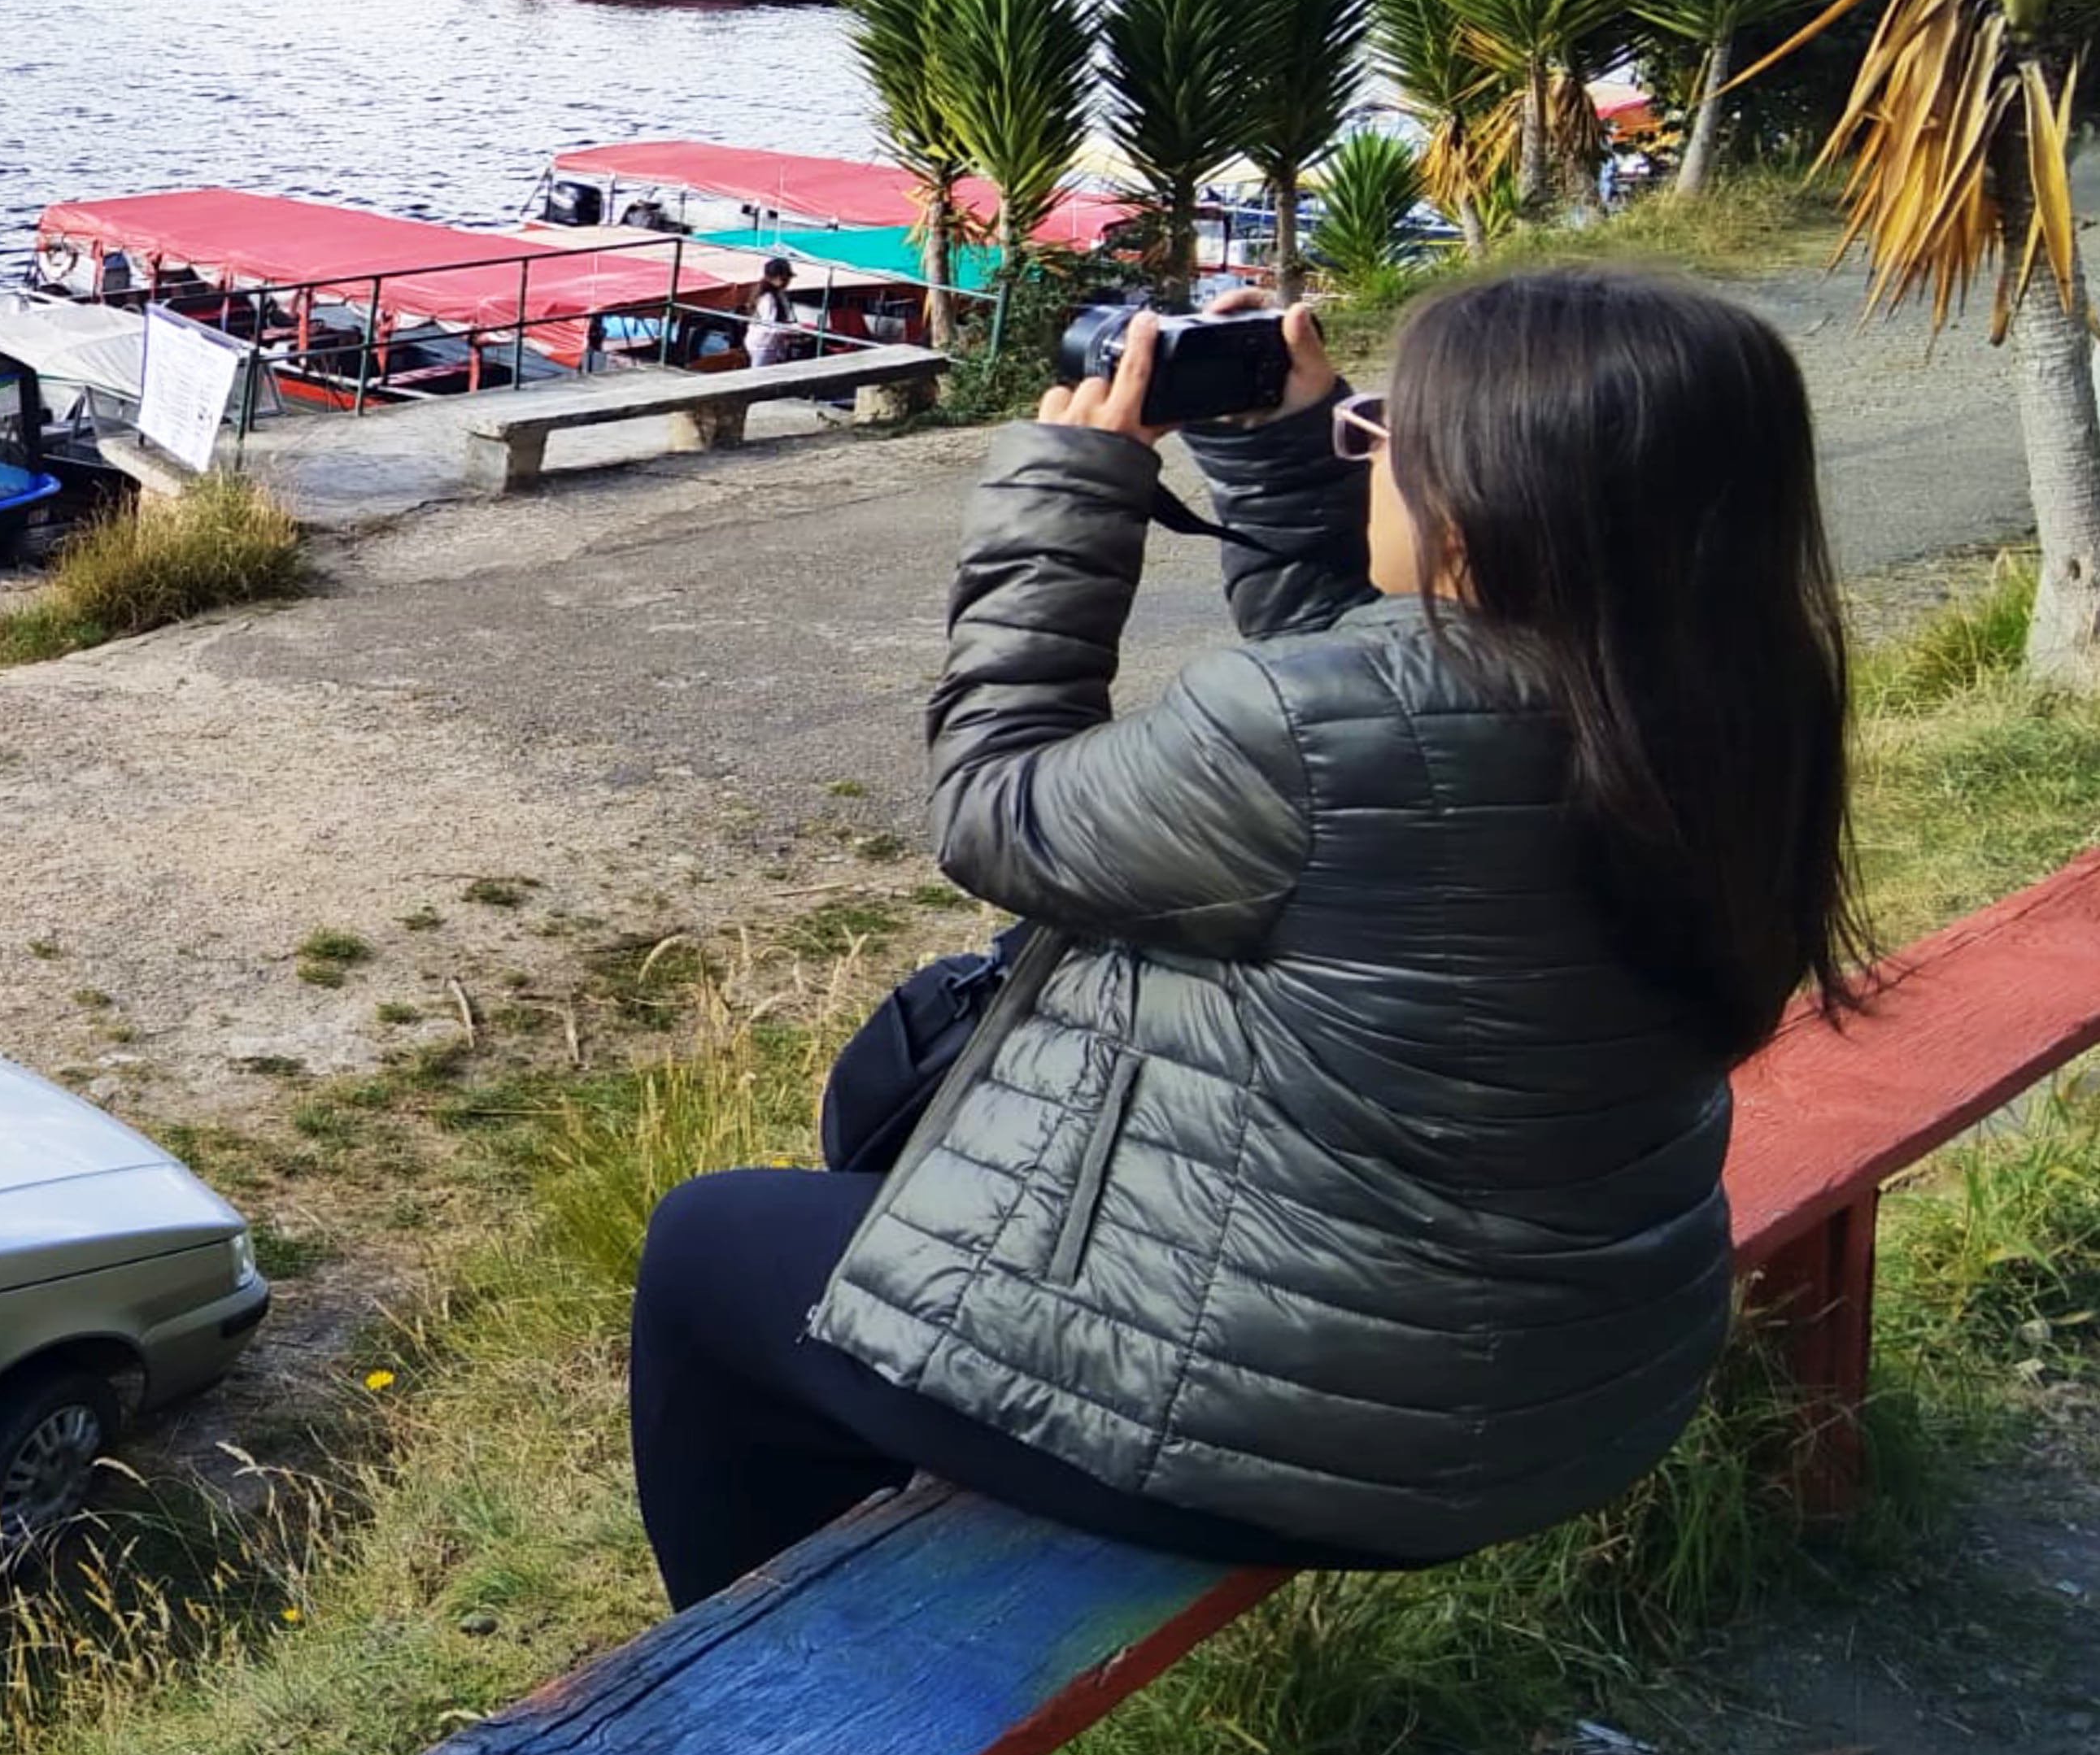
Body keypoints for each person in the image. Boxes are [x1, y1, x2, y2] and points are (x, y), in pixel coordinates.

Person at [625, 267, 1864, 1605]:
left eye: (1398, 428)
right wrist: (1283, 451)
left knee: (706, 1252)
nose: (1372, 444)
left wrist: (1069, 492)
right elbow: (1389, 676)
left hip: (1317, 1435)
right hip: (1585, 1386)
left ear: (1498, 496)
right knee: (874, 1180)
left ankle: (760, 1701)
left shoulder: (1307, 726)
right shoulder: (1728, 689)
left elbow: (995, 811)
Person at [743, 258, 812, 364]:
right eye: (785, 278)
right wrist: (795, 329)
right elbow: (768, 327)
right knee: (760, 376)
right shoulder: (768, 299)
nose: (788, 281)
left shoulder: (778, 293)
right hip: (762, 345)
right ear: (776, 278)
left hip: (771, 344)